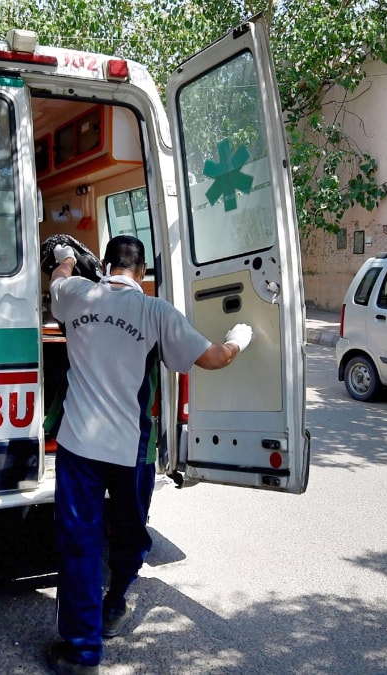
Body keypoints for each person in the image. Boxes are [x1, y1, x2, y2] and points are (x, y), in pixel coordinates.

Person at [44, 235, 253, 675]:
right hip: (131, 449)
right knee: (129, 532)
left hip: (79, 444)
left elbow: (58, 281)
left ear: (104, 266)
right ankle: (116, 600)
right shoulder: (155, 311)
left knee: (79, 543)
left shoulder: (78, 293)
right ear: (143, 274)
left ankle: (82, 654)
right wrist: (238, 340)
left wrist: (65, 258)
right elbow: (213, 359)